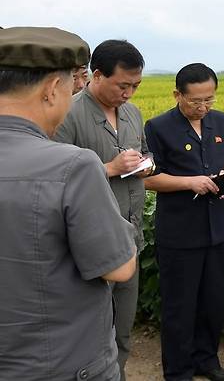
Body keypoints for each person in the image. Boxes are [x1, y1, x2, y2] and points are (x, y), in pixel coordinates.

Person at [0, 27, 136, 379]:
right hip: (62, 363)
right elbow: (118, 267)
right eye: (71, 84)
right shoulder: (72, 165)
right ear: (51, 90)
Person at [54, 39, 152, 381]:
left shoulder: (132, 114)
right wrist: (108, 168)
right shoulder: (68, 113)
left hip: (130, 236)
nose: (129, 94)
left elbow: (146, 153)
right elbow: (54, 174)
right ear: (97, 75)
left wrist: (146, 166)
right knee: (90, 331)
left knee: (123, 328)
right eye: (122, 85)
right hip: (90, 244)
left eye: (135, 86)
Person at [144, 63, 224, 381]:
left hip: (214, 228)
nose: (203, 107)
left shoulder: (219, 120)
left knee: (211, 301)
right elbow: (148, 180)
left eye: (209, 99)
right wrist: (190, 182)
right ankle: (179, 369)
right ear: (177, 94)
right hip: (179, 232)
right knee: (179, 306)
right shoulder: (157, 127)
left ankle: (206, 360)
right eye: (195, 101)